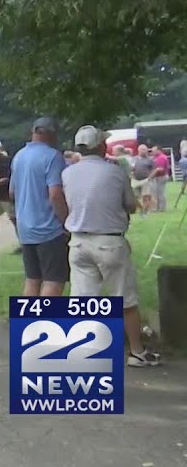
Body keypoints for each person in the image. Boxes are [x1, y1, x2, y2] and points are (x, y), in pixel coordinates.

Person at [63, 126, 161, 367]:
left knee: (84, 301)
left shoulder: (68, 173)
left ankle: (84, 351)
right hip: (109, 241)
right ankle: (137, 351)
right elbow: (130, 204)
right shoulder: (114, 172)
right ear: (100, 146)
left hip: (78, 241)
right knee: (125, 299)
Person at [10, 117, 70, 298]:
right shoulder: (53, 156)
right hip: (49, 229)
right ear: (50, 133)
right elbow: (55, 194)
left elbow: (12, 192)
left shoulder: (19, 156)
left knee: (32, 279)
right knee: (53, 280)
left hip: (25, 228)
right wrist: (66, 222)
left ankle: (29, 325)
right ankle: (47, 323)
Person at [129, 145, 156, 216]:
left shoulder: (150, 160)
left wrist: (150, 178)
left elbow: (154, 170)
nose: (144, 151)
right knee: (134, 197)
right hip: (135, 180)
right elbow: (131, 168)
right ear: (138, 150)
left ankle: (145, 212)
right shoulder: (134, 159)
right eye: (142, 150)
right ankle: (141, 208)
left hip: (145, 180)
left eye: (145, 150)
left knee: (145, 197)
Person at [151, 145, 171, 212]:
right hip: (159, 176)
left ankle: (161, 207)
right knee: (158, 192)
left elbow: (160, 169)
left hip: (160, 177)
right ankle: (159, 207)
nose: (152, 152)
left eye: (154, 150)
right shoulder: (156, 157)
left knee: (160, 192)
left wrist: (152, 174)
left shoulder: (161, 158)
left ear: (159, 150)